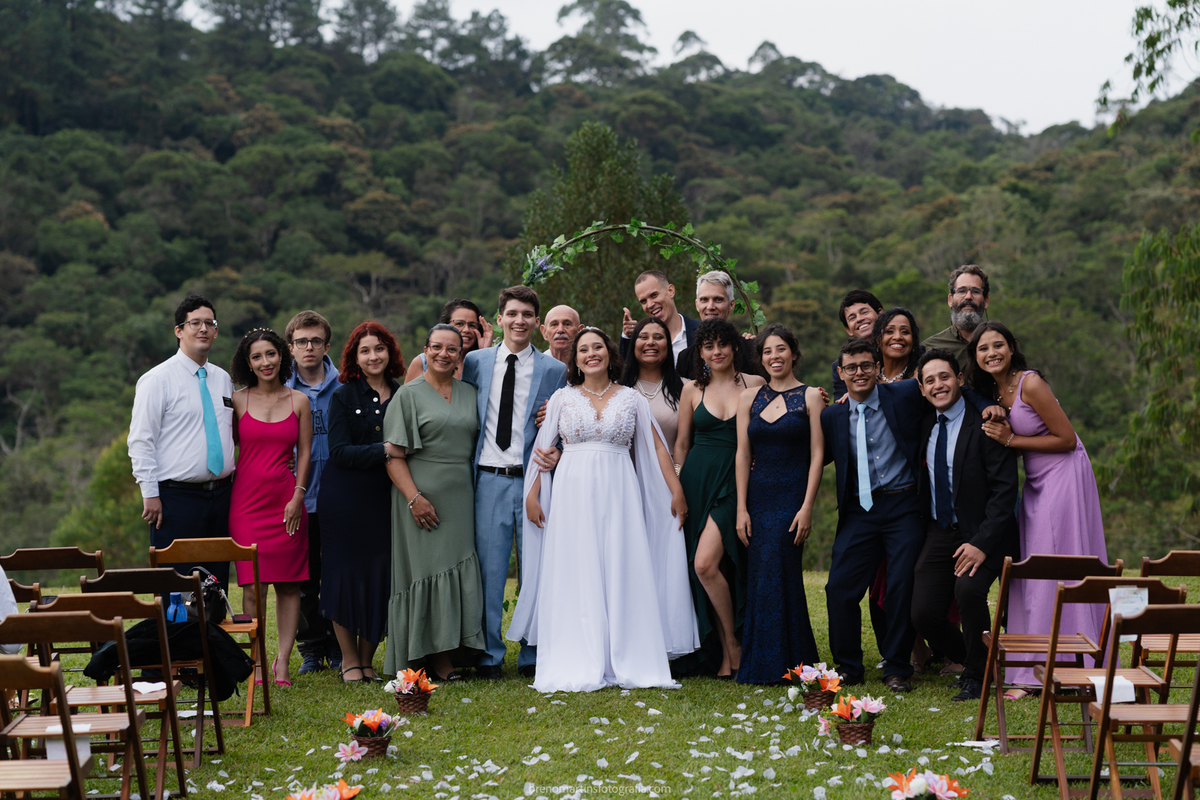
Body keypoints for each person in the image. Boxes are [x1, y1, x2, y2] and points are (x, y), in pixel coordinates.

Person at [506, 327, 697, 692]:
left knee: (620, 564)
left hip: (619, 490)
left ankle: (624, 654)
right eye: (583, 350)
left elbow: (658, 448)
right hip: (572, 491)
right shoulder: (562, 398)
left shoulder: (631, 398)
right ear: (575, 359)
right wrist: (532, 495)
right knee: (578, 566)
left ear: (610, 354)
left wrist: (676, 491)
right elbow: (543, 450)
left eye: (597, 348)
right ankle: (578, 653)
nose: (591, 354)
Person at [820, 339, 1000, 693]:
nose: (860, 373)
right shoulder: (832, 415)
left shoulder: (903, 394)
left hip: (903, 506)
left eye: (866, 366)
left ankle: (897, 667)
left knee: (902, 586)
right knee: (838, 587)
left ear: (877, 369)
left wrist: (990, 407)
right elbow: (813, 453)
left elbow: (952, 390)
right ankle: (849, 666)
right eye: (851, 368)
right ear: (841, 374)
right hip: (859, 509)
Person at [967, 321, 1109, 698]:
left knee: (1056, 566)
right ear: (975, 356)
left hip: (1063, 476)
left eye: (998, 345)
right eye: (983, 349)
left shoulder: (1030, 383)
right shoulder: (990, 390)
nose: (991, 353)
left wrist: (1013, 439)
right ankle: (1031, 667)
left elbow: (1066, 439)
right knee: (1033, 570)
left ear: (1012, 348)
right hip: (1033, 482)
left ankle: (1065, 668)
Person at [461, 286, 567, 680]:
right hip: (488, 478)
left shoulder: (553, 370)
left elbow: (560, 424)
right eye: (512, 313)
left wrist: (557, 452)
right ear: (500, 317)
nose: (519, 320)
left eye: (527, 314)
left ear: (536, 323)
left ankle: (533, 653)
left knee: (537, 569)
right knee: (489, 573)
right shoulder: (475, 362)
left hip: (533, 481)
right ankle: (489, 655)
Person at [911, 348, 1019, 702]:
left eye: (944, 377)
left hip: (985, 531)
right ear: (922, 389)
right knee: (924, 613)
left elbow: (1005, 493)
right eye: (930, 381)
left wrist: (981, 543)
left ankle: (975, 676)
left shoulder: (987, 423)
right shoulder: (925, 423)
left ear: (959, 379)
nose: (938, 385)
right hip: (942, 531)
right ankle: (982, 660)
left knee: (968, 592)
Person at [384, 323, 486, 681]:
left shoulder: (471, 392)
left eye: (452, 349)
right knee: (428, 572)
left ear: (461, 355)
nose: (444, 354)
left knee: (458, 567)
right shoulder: (408, 395)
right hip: (420, 498)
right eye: (436, 347)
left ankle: (458, 649)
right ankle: (433, 659)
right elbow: (393, 455)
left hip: (462, 496)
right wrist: (414, 498)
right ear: (425, 350)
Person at [675, 319, 765, 679]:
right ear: (701, 353)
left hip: (737, 483)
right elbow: (682, 443)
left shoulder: (756, 384)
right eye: (709, 346)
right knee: (709, 568)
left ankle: (735, 644)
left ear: (735, 348)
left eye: (723, 344)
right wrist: (679, 487)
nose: (717, 352)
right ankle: (725, 651)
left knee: (706, 564)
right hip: (697, 481)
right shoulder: (692, 390)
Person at [735, 324, 824, 684]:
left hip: (792, 497)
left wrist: (807, 507)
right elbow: (743, 454)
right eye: (768, 351)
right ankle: (761, 664)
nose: (775, 356)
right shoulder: (749, 398)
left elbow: (817, 455)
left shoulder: (811, 397)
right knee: (761, 576)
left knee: (783, 573)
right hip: (757, 498)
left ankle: (794, 662)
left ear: (794, 353)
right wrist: (741, 507)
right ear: (761, 358)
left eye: (781, 349)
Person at [129, 295, 235, 587]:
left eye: (209, 323)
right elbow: (141, 441)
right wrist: (149, 493)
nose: (203, 329)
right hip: (176, 499)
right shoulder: (157, 379)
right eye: (195, 323)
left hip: (223, 496)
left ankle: (212, 633)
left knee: (216, 584)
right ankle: (176, 634)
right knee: (177, 586)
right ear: (179, 330)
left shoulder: (223, 379)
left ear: (216, 331)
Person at [318, 321, 403, 684]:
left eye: (379, 348)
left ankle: (368, 659)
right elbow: (338, 452)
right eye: (365, 350)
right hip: (344, 500)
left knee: (379, 576)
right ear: (355, 356)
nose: (373, 356)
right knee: (342, 577)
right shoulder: (343, 395)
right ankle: (349, 660)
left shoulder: (403, 394)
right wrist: (383, 449)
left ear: (390, 353)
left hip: (385, 499)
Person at [228, 328, 313, 688]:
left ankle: (282, 662)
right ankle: (257, 659)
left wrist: (298, 495)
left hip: (287, 502)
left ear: (283, 355)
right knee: (252, 587)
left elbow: (306, 453)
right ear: (248, 363)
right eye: (257, 357)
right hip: (246, 504)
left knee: (290, 586)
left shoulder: (299, 402)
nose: (265, 362)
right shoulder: (237, 401)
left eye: (271, 354)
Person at [284, 310, 343, 677]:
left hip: (338, 498)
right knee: (303, 580)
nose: (309, 347)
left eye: (316, 341)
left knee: (337, 575)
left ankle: (340, 647)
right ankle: (312, 649)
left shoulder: (346, 385)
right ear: (290, 347)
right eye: (302, 341)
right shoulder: (281, 391)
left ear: (326, 345)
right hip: (297, 501)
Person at [619, 316, 688, 454]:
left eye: (658, 337)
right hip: (627, 473)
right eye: (643, 337)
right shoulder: (617, 388)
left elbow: (686, 444)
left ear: (668, 345)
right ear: (633, 345)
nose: (650, 342)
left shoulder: (686, 388)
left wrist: (677, 473)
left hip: (671, 473)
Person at [674, 271, 760, 380]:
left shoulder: (751, 350)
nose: (710, 306)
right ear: (697, 305)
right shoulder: (685, 359)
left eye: (718, 299)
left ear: (731, 304)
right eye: (704, 299)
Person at [619, 270, 699, 366]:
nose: (649, 305)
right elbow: (624, 375)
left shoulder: (700, 330)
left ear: (670, 291)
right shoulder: (644, 342)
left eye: (654, 295)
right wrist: (627, 337)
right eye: (644, 301)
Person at [922, 264, 991, 368]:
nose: (968, 297)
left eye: (976, 291)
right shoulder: (930, 347)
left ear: (986, 301)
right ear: (950, 300)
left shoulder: (999, 345)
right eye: (962, 291)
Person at [405, 298, 491, 381]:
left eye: (472, 325)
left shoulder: (480, 363)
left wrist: (485, 353)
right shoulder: (422, 362)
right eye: (459, 324)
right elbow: (408, 394)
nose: (466, 330)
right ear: (445, 325)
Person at [831, 290, 883, 401]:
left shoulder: (901, 350)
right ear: (847, 329)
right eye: (852, 318)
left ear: (880, 314)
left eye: (864, 312)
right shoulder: (843, 366)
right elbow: (840, 403)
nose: (859, 319)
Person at [874, 307, 922, 386]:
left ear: (913, 340)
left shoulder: (922, 377)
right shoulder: (870, 377)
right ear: (877, 339)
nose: (897, 337)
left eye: (905, 332)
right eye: (889, 331)